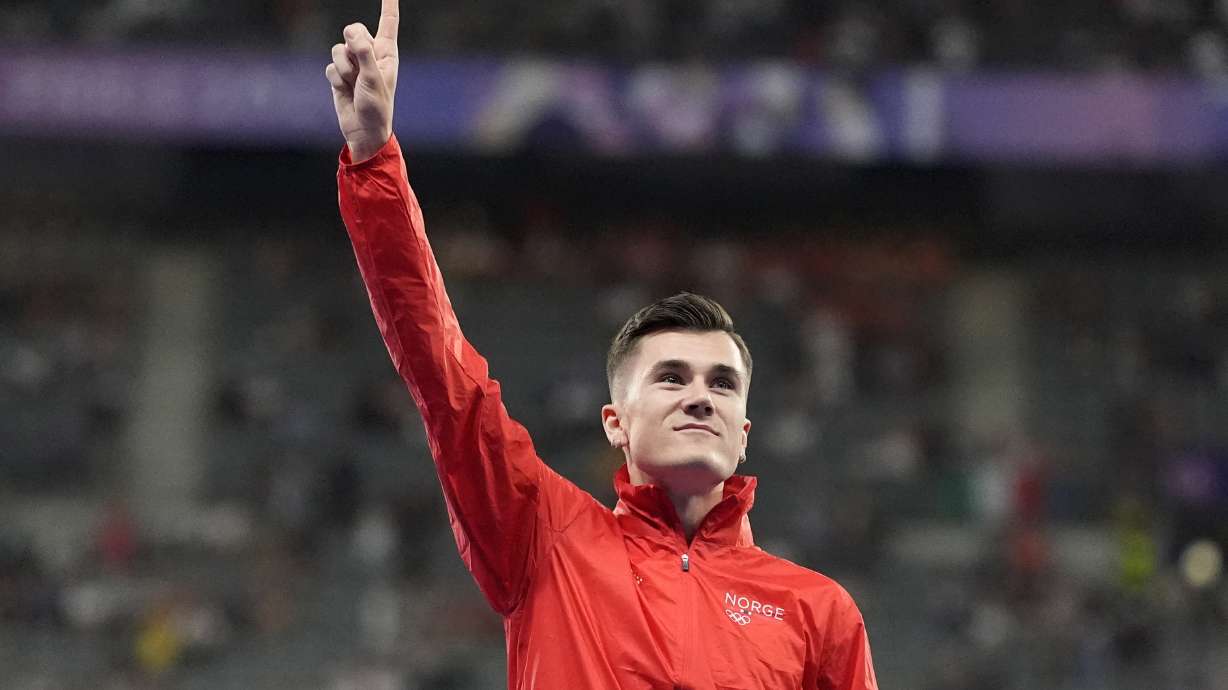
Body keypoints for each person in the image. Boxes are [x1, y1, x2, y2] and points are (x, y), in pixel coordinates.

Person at [325, 2, 878, 687]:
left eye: (722, 384)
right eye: (671, 378)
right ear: (615, 421)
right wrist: (375, 159)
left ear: (744, 432)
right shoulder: (545, 539)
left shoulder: (818, 614)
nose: (700, 397)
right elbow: (445, 379)